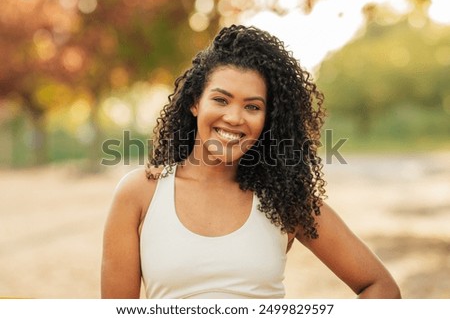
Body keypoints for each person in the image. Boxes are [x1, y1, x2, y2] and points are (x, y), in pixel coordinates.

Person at [101, 24, 401, 299]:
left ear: (268, 119)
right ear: (195, 102)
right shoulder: (140, 194)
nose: (234, 117)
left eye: (252, 106)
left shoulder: (285, 199)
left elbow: (379, 286)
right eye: (220, 100)